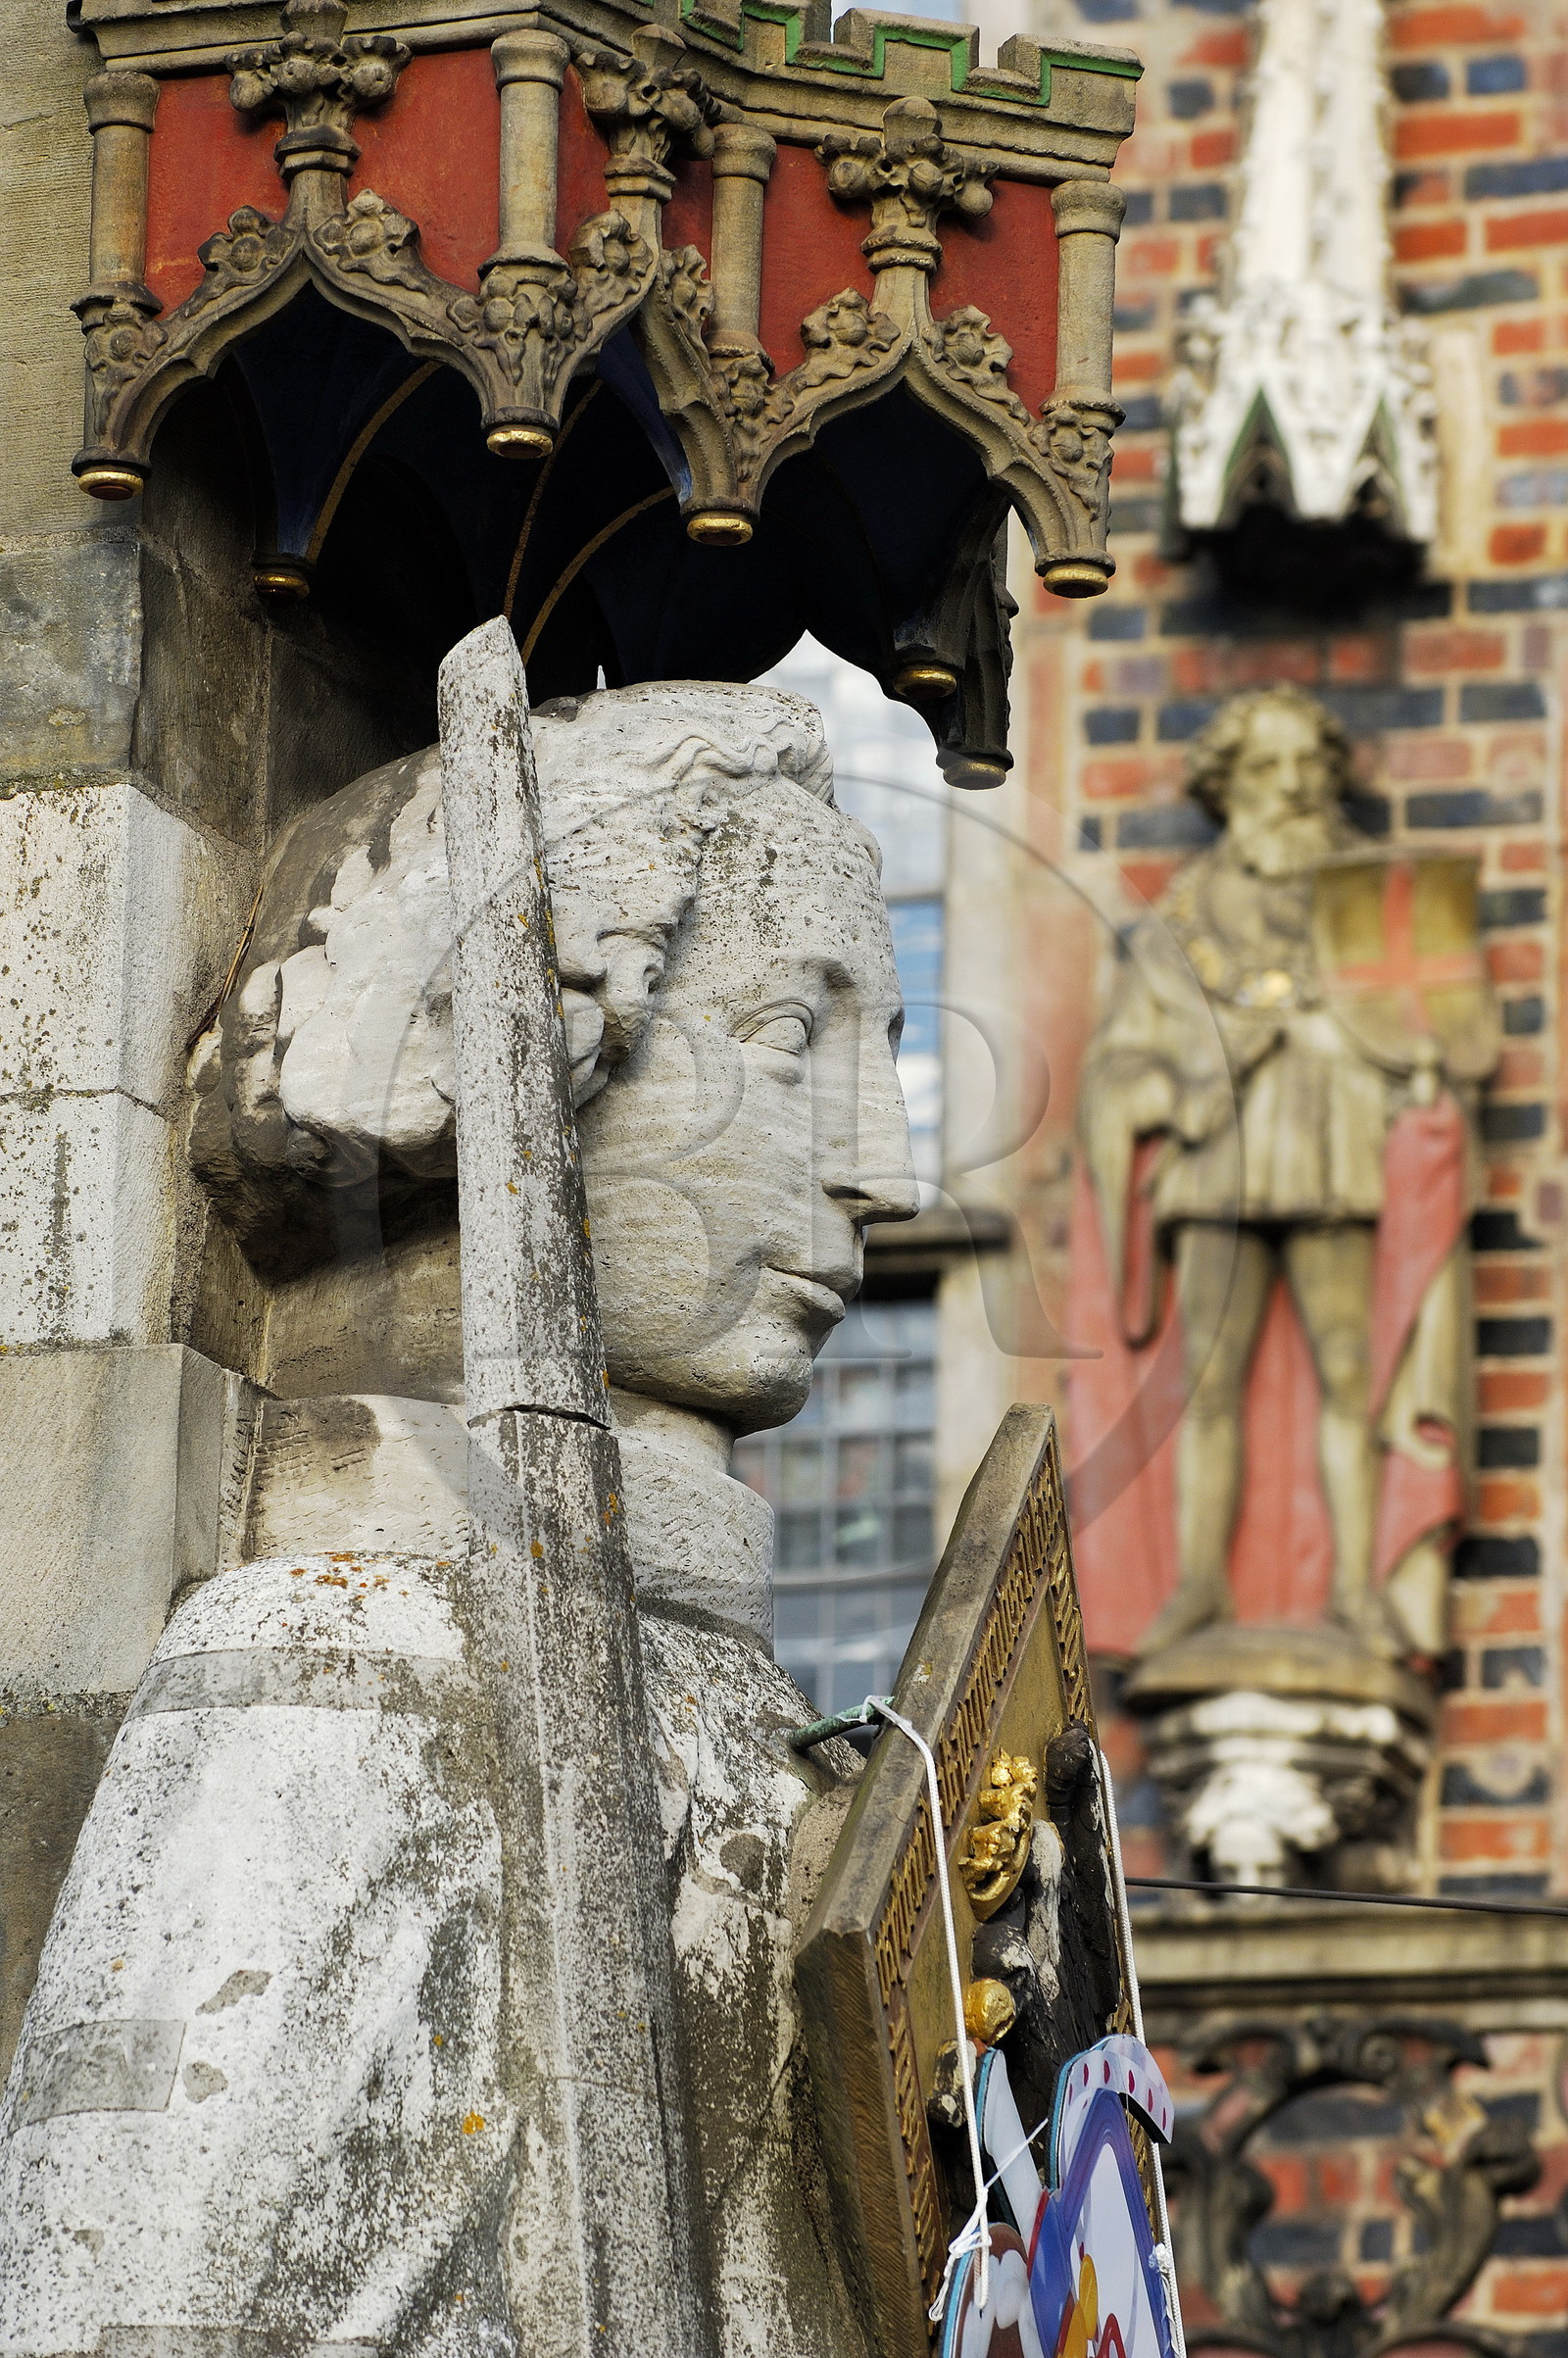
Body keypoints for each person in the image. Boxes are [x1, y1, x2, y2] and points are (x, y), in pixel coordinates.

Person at [0, 680, 918, 2358]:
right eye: (796, 1041)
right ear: (549, 1057)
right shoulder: (347, 1651)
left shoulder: (780, 1722)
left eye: (895, 1054)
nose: (893, 1169)